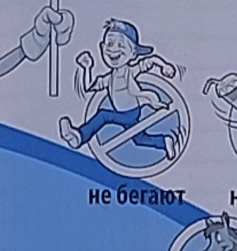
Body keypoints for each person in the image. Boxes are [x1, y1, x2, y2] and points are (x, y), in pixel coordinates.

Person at [59, 19, 181, 160]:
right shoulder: (109, 78)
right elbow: (89, 86)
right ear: (102, 47)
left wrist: (164, 66)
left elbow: (150, 60)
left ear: (133, 53)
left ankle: (80, 137)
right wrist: (87, 68)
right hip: (123, 113)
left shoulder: (130, 71)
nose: (113, 49)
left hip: (131, 112)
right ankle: (164, 141)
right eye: (110, 44)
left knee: (103, 116)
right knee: (139, 139)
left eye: (121, 45)